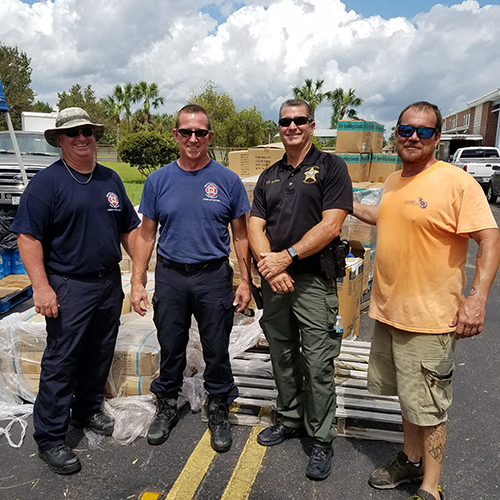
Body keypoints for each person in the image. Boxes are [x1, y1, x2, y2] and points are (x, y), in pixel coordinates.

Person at [352, 101, 500, 500]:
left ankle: (430, 489)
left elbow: (489, 238)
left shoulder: (455, 182)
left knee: (431, 408)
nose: (413, 137)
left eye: (423, 131)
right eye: (405, 130)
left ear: (437, 138)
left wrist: (477, 299)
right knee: (408, 397)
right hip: (389, 311)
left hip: (430, 318)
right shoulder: (394, 181)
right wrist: (340, 203)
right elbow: (383, 216)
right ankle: (409, 460)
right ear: (395, 133)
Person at [11, 107, 140, 475]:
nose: (82, 138)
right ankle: (50, 437)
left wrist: (141, 275)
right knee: (62, 359)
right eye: (73, 134)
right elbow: (28, 236)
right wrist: (41, 287)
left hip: (107, 282)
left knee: (99, 352)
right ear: (60, 141)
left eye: (87, 131)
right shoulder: (46, 184)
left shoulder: (110, 180)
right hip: (68, 285)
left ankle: (86, 411)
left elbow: (129, 229)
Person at [130, 104, 251, 453]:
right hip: (171, 275)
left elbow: (241, 235)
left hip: (213, 276)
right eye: (186, 132)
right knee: (170, 345)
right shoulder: (158, 180)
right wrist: (138, 281)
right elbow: (146, 234)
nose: (193, 138)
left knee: (216, 349)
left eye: (200, 132)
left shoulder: (227, 180)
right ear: (176, 135)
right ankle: (166, 404)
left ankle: (218, 408)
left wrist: (244, 281)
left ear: (209, 136)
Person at [248, 99, 353, 480]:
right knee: (282, 354)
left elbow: (331, 225)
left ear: (311, 125)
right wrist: (269, 265)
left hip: (312, 281)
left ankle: (321, 439)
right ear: (279, 127)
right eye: (285, 122)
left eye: (299, 121)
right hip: (276, 281)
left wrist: (286, 257)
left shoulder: (331, 167)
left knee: (318, 361)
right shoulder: (270, 175)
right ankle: (290, 418)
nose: (291, 127)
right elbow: (256, 226)